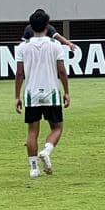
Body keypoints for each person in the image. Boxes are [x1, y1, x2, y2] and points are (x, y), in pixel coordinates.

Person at [14, 9, 70, 178]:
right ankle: (46, 150)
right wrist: (67, 92)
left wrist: (17, 96)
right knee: (57, 127)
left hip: (31, 94)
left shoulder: (22, 47)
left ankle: (33, 169)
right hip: (51, 92)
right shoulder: (55, 45)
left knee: (32, 131)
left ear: (31, 26)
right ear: (47, 25)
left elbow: (19, 74)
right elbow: (61, 71)